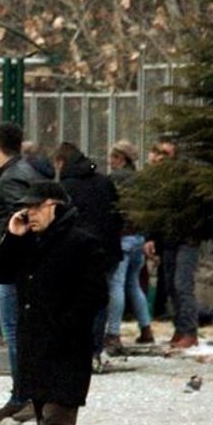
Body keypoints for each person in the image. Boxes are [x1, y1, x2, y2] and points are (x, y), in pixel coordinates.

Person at [0, 181, 108, 425]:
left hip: (68, 345)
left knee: (57, 415)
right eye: (26, 208)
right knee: (48, 415)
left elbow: (95, 297)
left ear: (54, 205)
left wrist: (68, 328)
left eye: (36, 207)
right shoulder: (31, 241)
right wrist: (13, 236)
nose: (29, 214)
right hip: (35, 344)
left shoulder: (82, 242)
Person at [0, 122, 47, 422]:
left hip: (13, 264)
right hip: (20, 264)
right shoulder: (27, 172)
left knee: (15, 331)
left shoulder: (11, 180)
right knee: (19, 330)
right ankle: (23, 394)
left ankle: (23, 395)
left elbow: (20, 221)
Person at [51, 142, 122, 367]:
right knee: (99, 299)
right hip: (106, 251)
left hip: (76, 253)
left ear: (61, 162)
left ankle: (76, 350)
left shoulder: (64, 187)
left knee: (73, 301)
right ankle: (95, 349)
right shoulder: (104, 181)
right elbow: (117, 215)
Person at [144, 136, 200, 349]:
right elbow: (154, 211)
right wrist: (151, 237)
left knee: (182, 284)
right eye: (157, 153)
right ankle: (180, 327)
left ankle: (189, 331)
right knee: (171, 285)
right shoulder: (156, 182)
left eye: (164, 154)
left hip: (186, 237)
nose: (159, 158)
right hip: (168, 238)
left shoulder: (184, 181)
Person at [104, 140, 155, 350]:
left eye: (113, 157)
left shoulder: (113, 180)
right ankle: (146, 328)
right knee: (133, 284)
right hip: (139, 238)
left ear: (121, 159)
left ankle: (113, 333)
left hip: (122, 237)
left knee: (116, 284)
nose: (110, 161)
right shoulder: (142, 180)